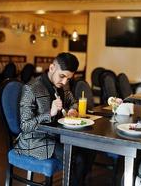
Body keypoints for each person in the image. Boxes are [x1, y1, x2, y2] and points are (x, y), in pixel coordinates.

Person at [14, 52, 93, 186]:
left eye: (68, 79)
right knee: (77, 158)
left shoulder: (63, 85)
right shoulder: (31, 88)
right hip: (34, 141)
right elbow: (25, 126)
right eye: (62, 76)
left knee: (89, 149)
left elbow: (73, 102)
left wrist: (73, 110)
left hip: (56, 136)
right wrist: (49, 113)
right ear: (51, 68)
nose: (64, 82)